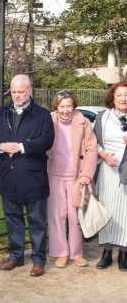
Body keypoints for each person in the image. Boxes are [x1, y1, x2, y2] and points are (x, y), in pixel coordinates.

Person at [0, 74, 54, 277]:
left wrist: (23, 147)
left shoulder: (42, 114)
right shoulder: (2, 112)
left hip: (33, 177)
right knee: (13, 219)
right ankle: (15, 256)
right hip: (9, 176)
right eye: (14, 92)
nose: (17, 96)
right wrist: (0, 145)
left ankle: (38, 260)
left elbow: (47, 140)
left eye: (21, 91)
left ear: (30, 90)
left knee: (37, 221)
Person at [47, 90, 97, 269]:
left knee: (74, 216)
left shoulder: (83, 122)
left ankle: (76, 253)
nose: (65, 110)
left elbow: (92, 149)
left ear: (74, 106)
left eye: (69, 106)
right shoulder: (49, 120)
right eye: (62, 106)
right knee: (56, 216)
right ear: (56, 106)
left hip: (77, 176)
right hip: (54, 175)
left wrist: (87, 173)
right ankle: (61, 253)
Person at [94, 82, 127, 271]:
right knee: (107, 210)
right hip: (108, 170)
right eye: (120, 95)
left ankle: (124, 251)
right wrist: (104, 155)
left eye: (126, 95)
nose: (123, 98)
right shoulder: (102, 117)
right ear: (112, 97)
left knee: (125, 211)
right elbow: (93, 142)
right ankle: (106, 251)